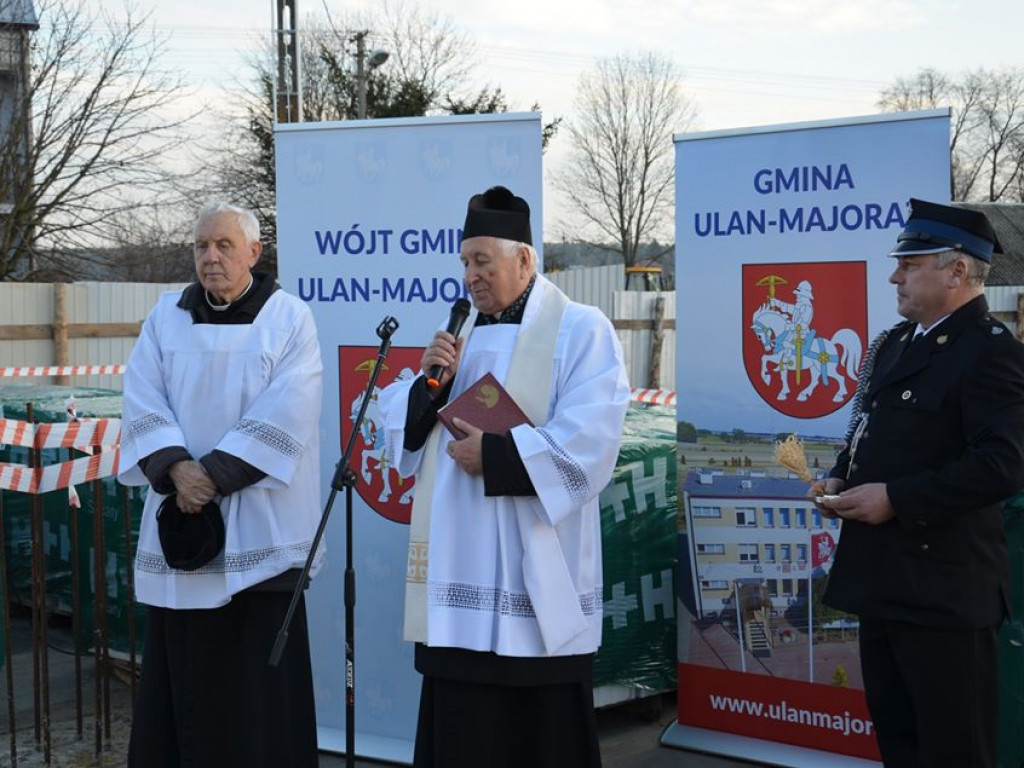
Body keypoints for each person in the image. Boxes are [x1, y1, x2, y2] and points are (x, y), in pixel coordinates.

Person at [377, 185, 630, 768]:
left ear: (524, 260)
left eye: (482, 262)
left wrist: (494, 457)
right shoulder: (458, 338)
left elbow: (593, 436)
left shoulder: (579, 329)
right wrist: (427, 387)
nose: (470, 276)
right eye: (464, 262)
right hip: (459, 567)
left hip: (532, 567)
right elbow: (403, 425)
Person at [809, 199, 1024, 767]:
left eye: (909, 264)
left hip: (944, 595)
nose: (894, 277)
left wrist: (896, 499)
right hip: (884, 583)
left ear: (958, 271)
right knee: (900, 748)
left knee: (954, 753)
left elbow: (1004, 465)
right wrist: (839, 477)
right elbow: (869, 430)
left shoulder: (992, 353)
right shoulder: (896, 344)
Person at [118, 201, 324, 768]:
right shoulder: (166, 316)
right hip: (183, 524)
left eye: (224, 245)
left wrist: (210, 475)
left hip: (261, 534)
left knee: (256, 699)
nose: (211, 257)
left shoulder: (288, 318)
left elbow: (291, 407)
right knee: (184, 683)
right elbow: (141, 394)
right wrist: (175, 469)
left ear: (253, 253)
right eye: (201, 246)